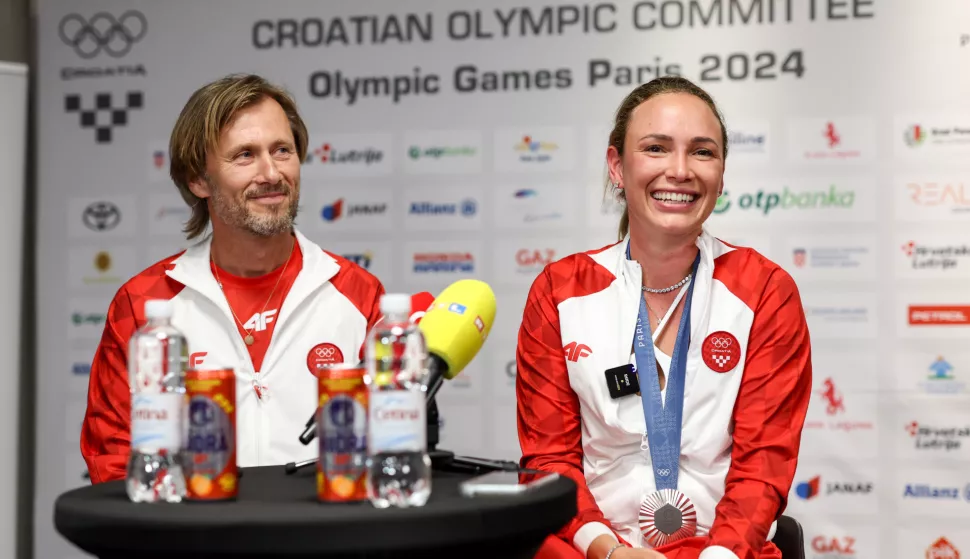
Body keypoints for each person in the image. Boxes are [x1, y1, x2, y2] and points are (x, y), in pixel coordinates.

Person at [517, 76, 812, 559]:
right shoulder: (559, 290)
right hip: (595, 550)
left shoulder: (765, 291)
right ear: (617, 166)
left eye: (702, 152)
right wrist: (607, 549)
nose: (679, 170)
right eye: (656, 148)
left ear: (721, 171)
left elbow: (764, 465)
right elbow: (548, 458)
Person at [80, 74, 385, 483]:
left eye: (282, 150)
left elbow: (391, 446)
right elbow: (113, 460)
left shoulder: (358, 293)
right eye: (245, 155)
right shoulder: (143, 304)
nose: (272, 173)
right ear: (198, 179)